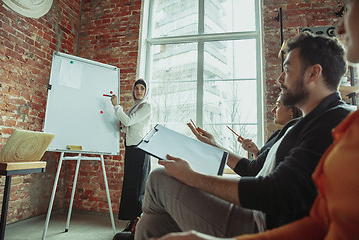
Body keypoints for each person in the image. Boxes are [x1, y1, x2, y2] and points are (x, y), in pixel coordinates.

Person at [153, 0, 359, 239]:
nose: (280, 79)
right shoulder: (297, 125)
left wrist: (191, 176)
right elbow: (254, 169)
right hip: (257, 213)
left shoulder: (336, 120)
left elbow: (276, 191)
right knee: (152, 224)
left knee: (159, 179)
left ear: (313, 73)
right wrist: (214, 146)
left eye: (287, 69)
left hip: (259, 220)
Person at [110, 79, 151, 237]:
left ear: (145, 91)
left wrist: (116, 106)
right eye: (136, 88)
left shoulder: (147, 106)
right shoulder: (134, 107)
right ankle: (132, 222)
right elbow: (126, 126)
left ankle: (137, 224)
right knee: (130, 186)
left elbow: (128, 121)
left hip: (141, 148)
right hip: (131, 148)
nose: (138, 91)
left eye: (142, 88)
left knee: (138, 189)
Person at [240, 93, 302, 159]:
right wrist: (255, 152)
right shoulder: (277, 134)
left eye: (278, 106)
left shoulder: (293, 139)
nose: (273, 110)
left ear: (291, 111)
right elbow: (259, 166)